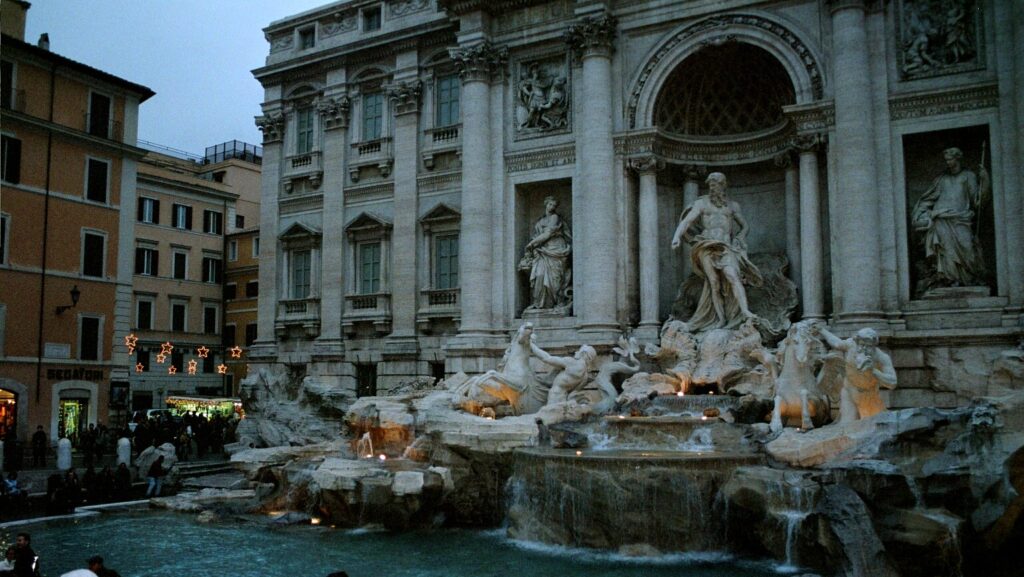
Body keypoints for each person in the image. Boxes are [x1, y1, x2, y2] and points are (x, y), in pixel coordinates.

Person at [671, 172, 763, 333]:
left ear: (723, 185)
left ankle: (745, 311)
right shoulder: (702, 203)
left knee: (733, 276)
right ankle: (720, 318)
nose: (713, 188)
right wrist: (676, 237)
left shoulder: (733, 206)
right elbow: (687, 221)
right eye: (711, 185)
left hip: (726, 246)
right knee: (713, 282)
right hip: (706, 246)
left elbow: (745, 226)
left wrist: (740, 237)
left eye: (717, 184)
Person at [911, 147, 989, 291]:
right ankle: (951, 279)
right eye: (946, 160)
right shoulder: (941, 179)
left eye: (950, 159)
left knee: (968, 248)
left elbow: (977, 202)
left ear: (957, 158)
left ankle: (970, 279)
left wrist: (985, 181)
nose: (947, 162)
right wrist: (920, 213)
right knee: (946, 251)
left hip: (961, 219)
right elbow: (928, 199)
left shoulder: (968, 176)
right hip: (942, 219)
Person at [814, 325, 897, 424]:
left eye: (868, 346)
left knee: (870, 425)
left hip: (868, 396)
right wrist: (821, 330)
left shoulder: (881, 357)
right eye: (861, 344)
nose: (863, 348)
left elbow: (892, 382)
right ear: (857, 342)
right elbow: (837, 343)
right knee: (847, 424)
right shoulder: (851, 345)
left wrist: (874, 371)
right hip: (849, 391)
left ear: (874, 345)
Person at [520, 196, 572, 311]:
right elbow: (537, 235)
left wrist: (531, 244)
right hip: (542, 251)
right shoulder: (540, 221)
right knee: (539, 275)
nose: (552, 207)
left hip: (556, 249)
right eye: (550, 204)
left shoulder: (555, 217)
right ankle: (538, 303)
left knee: (555, 279)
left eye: (554, 205)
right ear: (546, 204)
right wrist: (534, 246)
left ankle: (556, 302)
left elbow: (548, 234)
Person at [529, 342, 596, 406]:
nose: (576, 352)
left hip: (555, 395)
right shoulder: (585, 376)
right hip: (563, 398)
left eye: (579, 351)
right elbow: (573, 392)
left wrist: (531, 345)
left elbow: (547, 358)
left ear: (583, 353)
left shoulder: (572, 363)